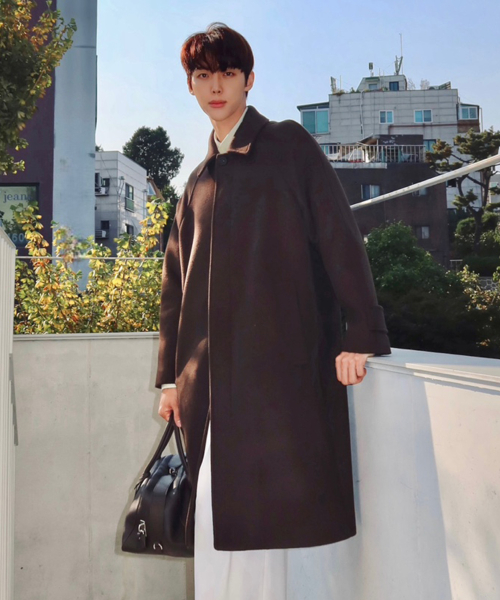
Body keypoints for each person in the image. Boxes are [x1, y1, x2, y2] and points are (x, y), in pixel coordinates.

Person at [155, 22, 391, 600]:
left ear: (249, 80)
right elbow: (174, 290)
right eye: (203, 75)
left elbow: (340, 238)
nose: (216, 86)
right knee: (214, 531)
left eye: (228, 73)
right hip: (207, 390)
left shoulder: (289, 146)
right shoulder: (197, 182)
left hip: (275, 380)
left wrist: (360, 332)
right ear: (190, 86)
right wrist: (170, 379)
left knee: (259, 539)